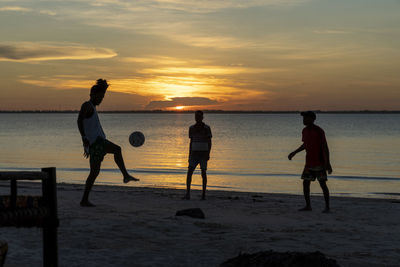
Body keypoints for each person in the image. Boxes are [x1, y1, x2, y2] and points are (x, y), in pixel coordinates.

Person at [77, 79, 139, 207]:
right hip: (97, 143)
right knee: (117, 150)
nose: (101, 99)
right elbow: (79, 120)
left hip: (97, 143)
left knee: (94, 172)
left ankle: (84, 200)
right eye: (100, 96)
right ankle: (126, 176)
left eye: (103, 96)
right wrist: (84, 138)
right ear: (93, 94)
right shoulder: (87, 105)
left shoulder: (92, 107)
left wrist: (86, 142)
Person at [288, 111, 332, 213]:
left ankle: (327, 207)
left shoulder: (319, 131)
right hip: (309, 163)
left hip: (319, 163)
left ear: (312, 119)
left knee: (323, 184)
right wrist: (294, 152)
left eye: (306, 118)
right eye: (303, 118)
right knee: (305, 183)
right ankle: (308, 206)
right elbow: (305, 145)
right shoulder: (304, 131)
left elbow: (325, 147)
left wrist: (327, 163)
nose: (304, 120)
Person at [183, 110, 212, 200]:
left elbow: (209, 141)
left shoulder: (207, 128)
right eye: (196, 116)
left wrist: (208, 153)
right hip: (194, 154)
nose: (197, 118)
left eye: (199, 116)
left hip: (203, 154)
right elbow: (191, 142)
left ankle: (203, 195)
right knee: (189, 173)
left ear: (202, 117)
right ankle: (188, 194)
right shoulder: (191, 128)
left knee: (203, 173)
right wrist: (189, 154)